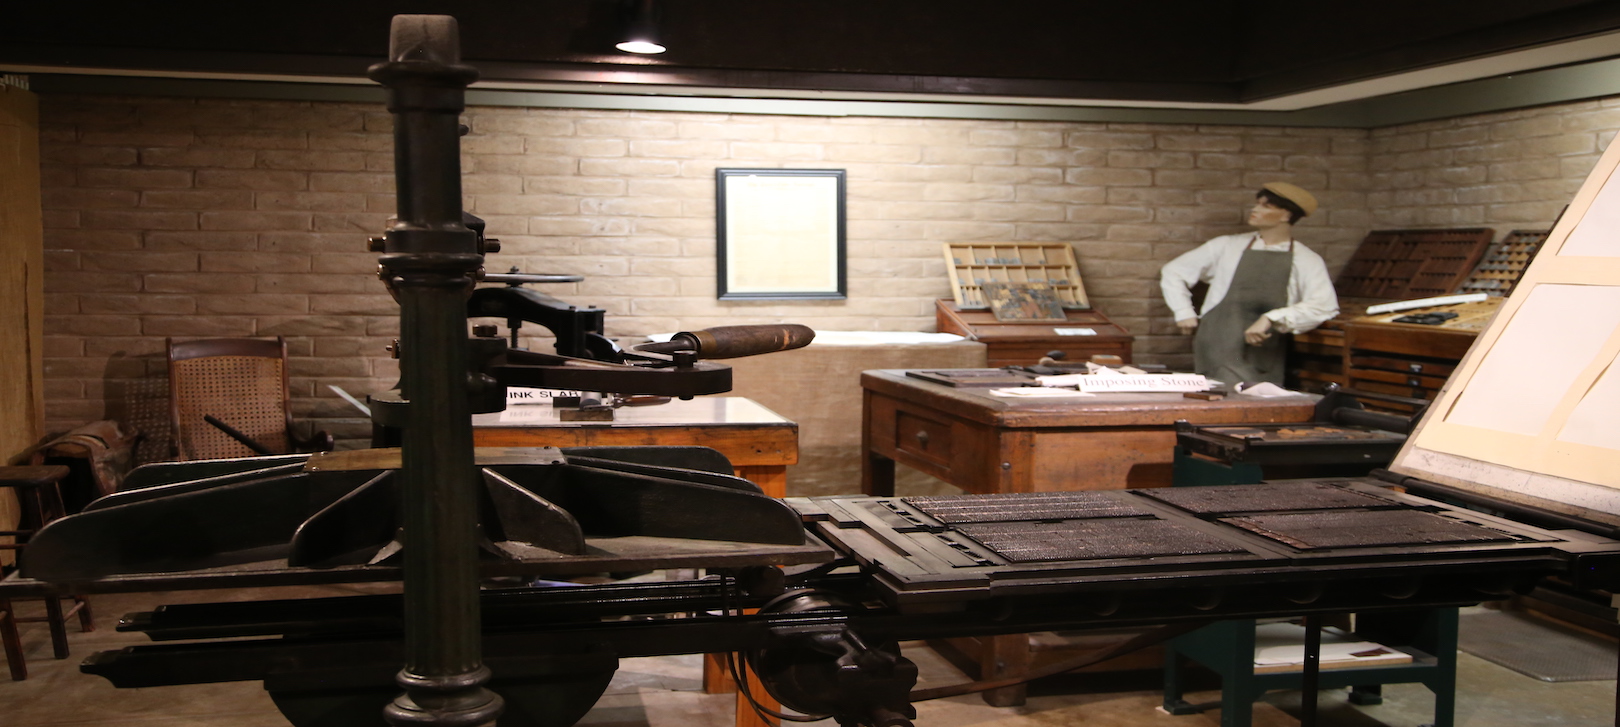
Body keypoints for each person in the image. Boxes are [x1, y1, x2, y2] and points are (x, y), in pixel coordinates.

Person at [1158, 182, 1338, 386]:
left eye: (1266, 206)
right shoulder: (1227, 246)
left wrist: (1271, 318)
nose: (1255, 209)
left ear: (1286, 215)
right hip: (1219, 343)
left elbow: (1324, 305)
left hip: (1263, 350)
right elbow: (1174, 271)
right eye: (1257, 204)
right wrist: (1183, 311)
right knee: (1218, 399)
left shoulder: (1305, 259)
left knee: (1259, 403)